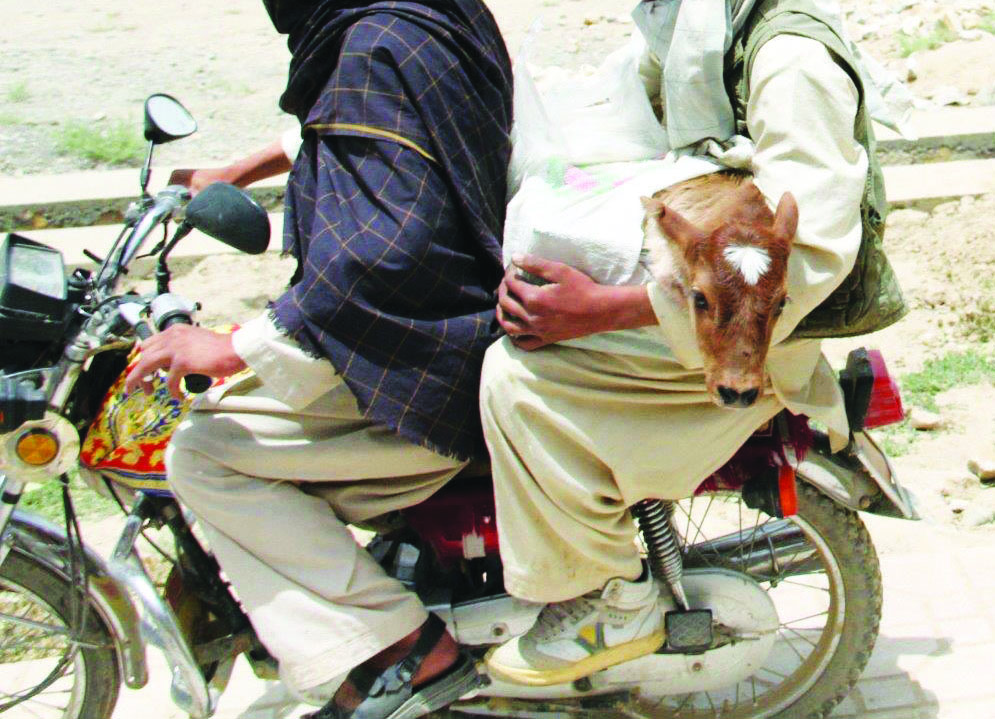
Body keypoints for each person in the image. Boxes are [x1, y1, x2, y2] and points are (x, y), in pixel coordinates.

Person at [480, 0, 905, 686]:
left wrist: (601, 310)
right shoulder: (702, 25)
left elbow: (807, 258)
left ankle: (609, 597)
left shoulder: (790, 62)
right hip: (701, 299)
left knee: (517, 378)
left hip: (753, 341)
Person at [125, 2, 512, 718]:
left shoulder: (368, 50)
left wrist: (234, 346)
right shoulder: (419, 16)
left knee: (203, 450)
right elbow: (371, 127)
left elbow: (380, 253)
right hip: (462, 326)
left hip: (422, 371)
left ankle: (405, 650)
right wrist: (240, 168)